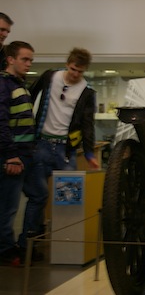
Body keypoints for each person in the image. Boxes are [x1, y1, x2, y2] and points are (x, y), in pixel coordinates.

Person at [17, 47, 99, 260]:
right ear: (67, 64)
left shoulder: (87, 92)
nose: (75, 74)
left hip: (66, 151)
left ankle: (67, 249)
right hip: (40, 146)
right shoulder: (49, 77)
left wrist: (89, 154)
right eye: (73, 69)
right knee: (38, 197)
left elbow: (88, 125)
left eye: (80, 72)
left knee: (69, 200)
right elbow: (28, 99)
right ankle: (26, 245)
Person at [0, 41, 35, 266]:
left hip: (24, 154)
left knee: (37, 195)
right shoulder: (4, 84)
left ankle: (22, 244)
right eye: (25, 59)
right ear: (10, 59)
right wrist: (11, 155)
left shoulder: (19, 84)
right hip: (12, 156)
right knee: (8, 206)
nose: (29, 64)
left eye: (31, 60)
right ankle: (5, 249)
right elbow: (1, 122)